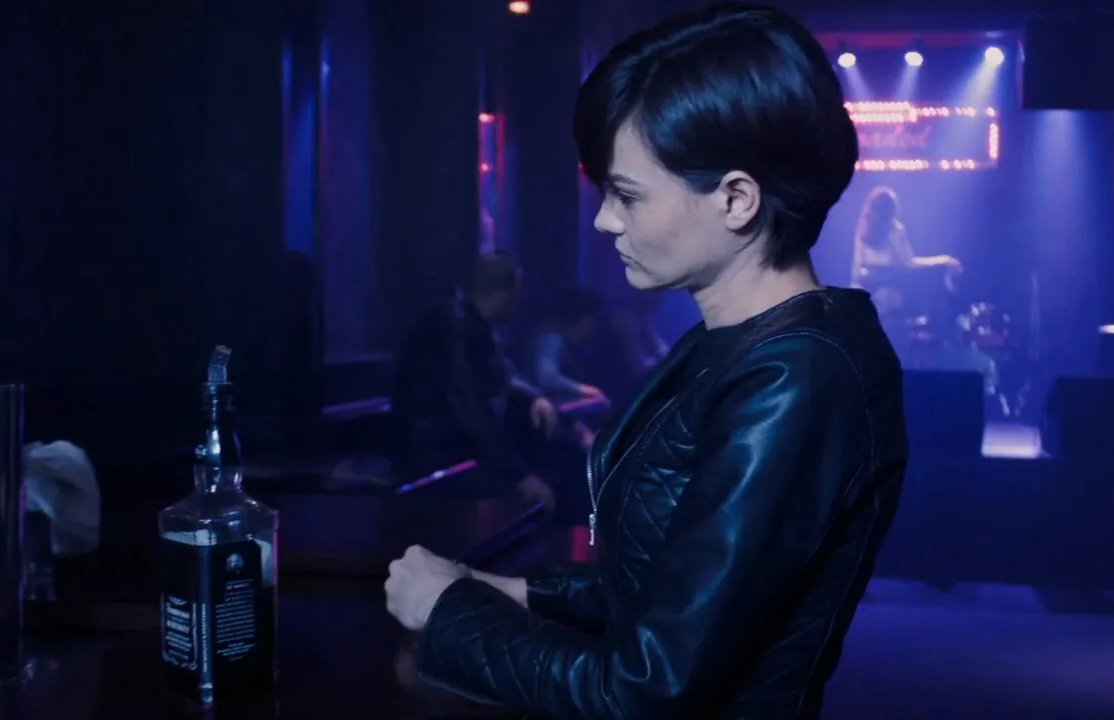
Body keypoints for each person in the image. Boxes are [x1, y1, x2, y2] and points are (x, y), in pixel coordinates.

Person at [384, 4, 908, 717]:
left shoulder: (796, 377)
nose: (606, 219)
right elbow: (671, 584)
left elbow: (648, 688)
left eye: (627, 194)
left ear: (736, 199)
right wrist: (504, 590)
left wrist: (449, 612)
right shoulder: (741, 344)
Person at [389, 251, 557, 510]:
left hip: (459, 452)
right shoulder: (452, 325)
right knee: (532, 498)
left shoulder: (475, 325)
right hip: (435, 458)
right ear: (508, 292)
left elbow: (505, 372)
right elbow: (470, 408)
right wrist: (519, 474)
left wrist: (535, 397)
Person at [850, 185, 962, 317]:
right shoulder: (889, 230)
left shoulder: (870, 228)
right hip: (878, 289)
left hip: (876, 289)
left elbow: (857, 267)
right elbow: (909, 263)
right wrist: (944, 260)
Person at [528, 287, 608, 403]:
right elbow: (546, 377)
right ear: (586, 321)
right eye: (595, 322)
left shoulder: (568, 345)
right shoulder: (552, 339)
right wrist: (582, 389)